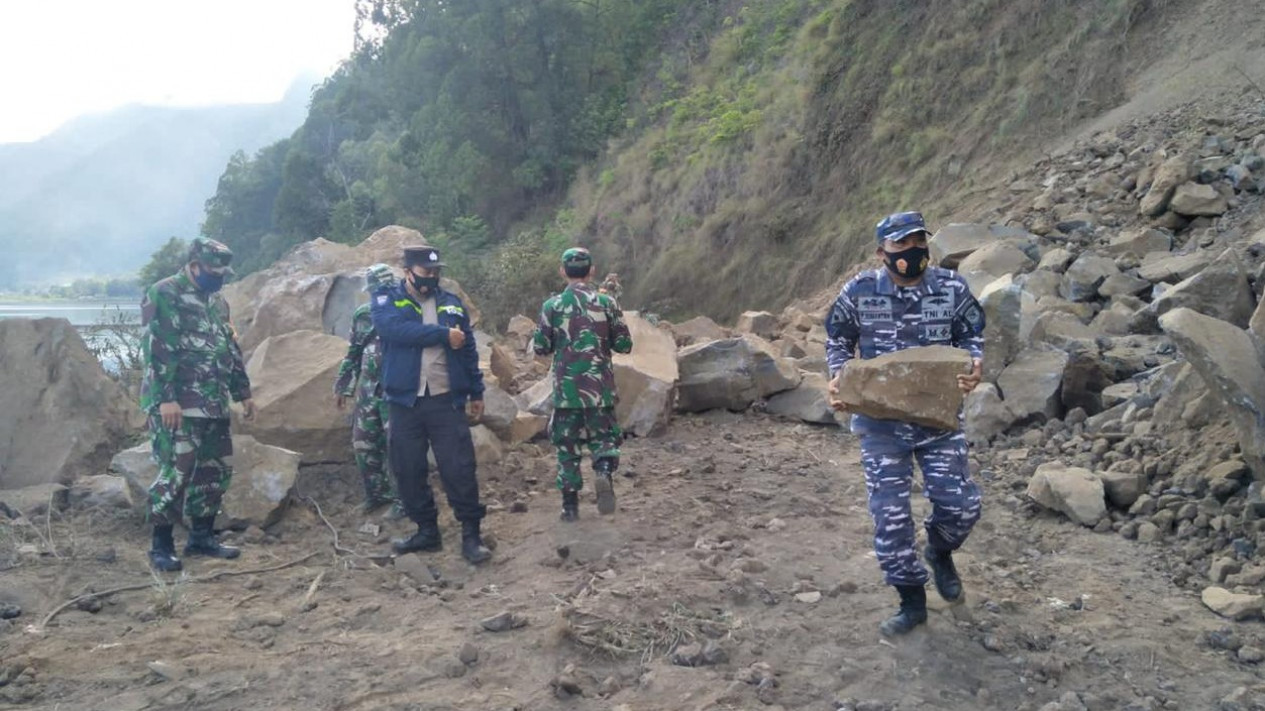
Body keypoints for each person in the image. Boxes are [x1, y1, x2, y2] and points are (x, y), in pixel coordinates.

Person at [824, 211, 986, 636]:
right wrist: (838, 378)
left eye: (919, 242)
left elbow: (971, 335)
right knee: (890, 520)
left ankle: (939, 551)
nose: (913, 251)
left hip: (938, 421)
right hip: (881, 426)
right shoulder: (859, 291)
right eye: (902, 244)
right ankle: (911, 600)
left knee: (961, 506)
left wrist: (974, 366)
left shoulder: (951, 288)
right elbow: (838, 339)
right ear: (882, 252)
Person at [370, 245, 491, 564]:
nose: (433, 278)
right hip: (404, 402)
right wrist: (440, 334)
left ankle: (471, 535)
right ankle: (426, 531)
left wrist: (476, 392)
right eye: (426, 272)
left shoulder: (452, 304)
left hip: (445, 400)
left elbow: (467, 351)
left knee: (459, 468)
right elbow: (393, 330)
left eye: (437, 272)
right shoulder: (387, 299)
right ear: (408, 271)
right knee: (408, 469)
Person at [140, 237, 255, 572]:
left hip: (213, 402)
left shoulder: (217, 302)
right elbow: (156, 349)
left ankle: (201, 537)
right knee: (175, 472)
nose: (218, 275)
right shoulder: (164, 293)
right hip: (177, 405)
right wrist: (166, 399)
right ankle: (161, 545)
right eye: (212, 269)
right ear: (194, 265)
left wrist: (243, 393)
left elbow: (229, 349)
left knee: (214, 470)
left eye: (222, 270)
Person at [532, 248, 633, 521]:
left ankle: (569, 507)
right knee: (605, 440)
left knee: (567, 447)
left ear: (562, 272)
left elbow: (540, 347)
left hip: (567, 391)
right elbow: (625, 345)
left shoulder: (552, 306)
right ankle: (602, 471)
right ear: (592, 271)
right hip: (600, 389)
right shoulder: (607, 303)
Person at [334, 263, 404, 519]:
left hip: (395, 389)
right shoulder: (363, 316)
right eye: (377, 290)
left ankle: (403, 501)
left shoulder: (406, 312)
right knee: (363, 443)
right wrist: (343, 386)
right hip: (368, 388)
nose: (381, 294)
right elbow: (353, 352)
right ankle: (376, 494)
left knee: (397, 447)